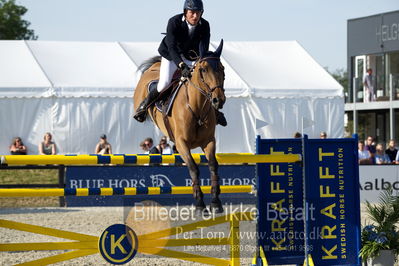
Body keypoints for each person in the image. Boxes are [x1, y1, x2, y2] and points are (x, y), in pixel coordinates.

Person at [133, 0, 227, 127]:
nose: (195, 16)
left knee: (204, 80)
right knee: (164, 83)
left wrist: (202, 62)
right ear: (185, 12)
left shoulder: (205, 25)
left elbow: (203, 47)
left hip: (191, 56)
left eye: (198, 13)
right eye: (192, 13)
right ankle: (144, 105)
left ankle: (215, 112)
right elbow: (172, 47)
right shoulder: (174, 22)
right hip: (171, 56)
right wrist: (181, 65)